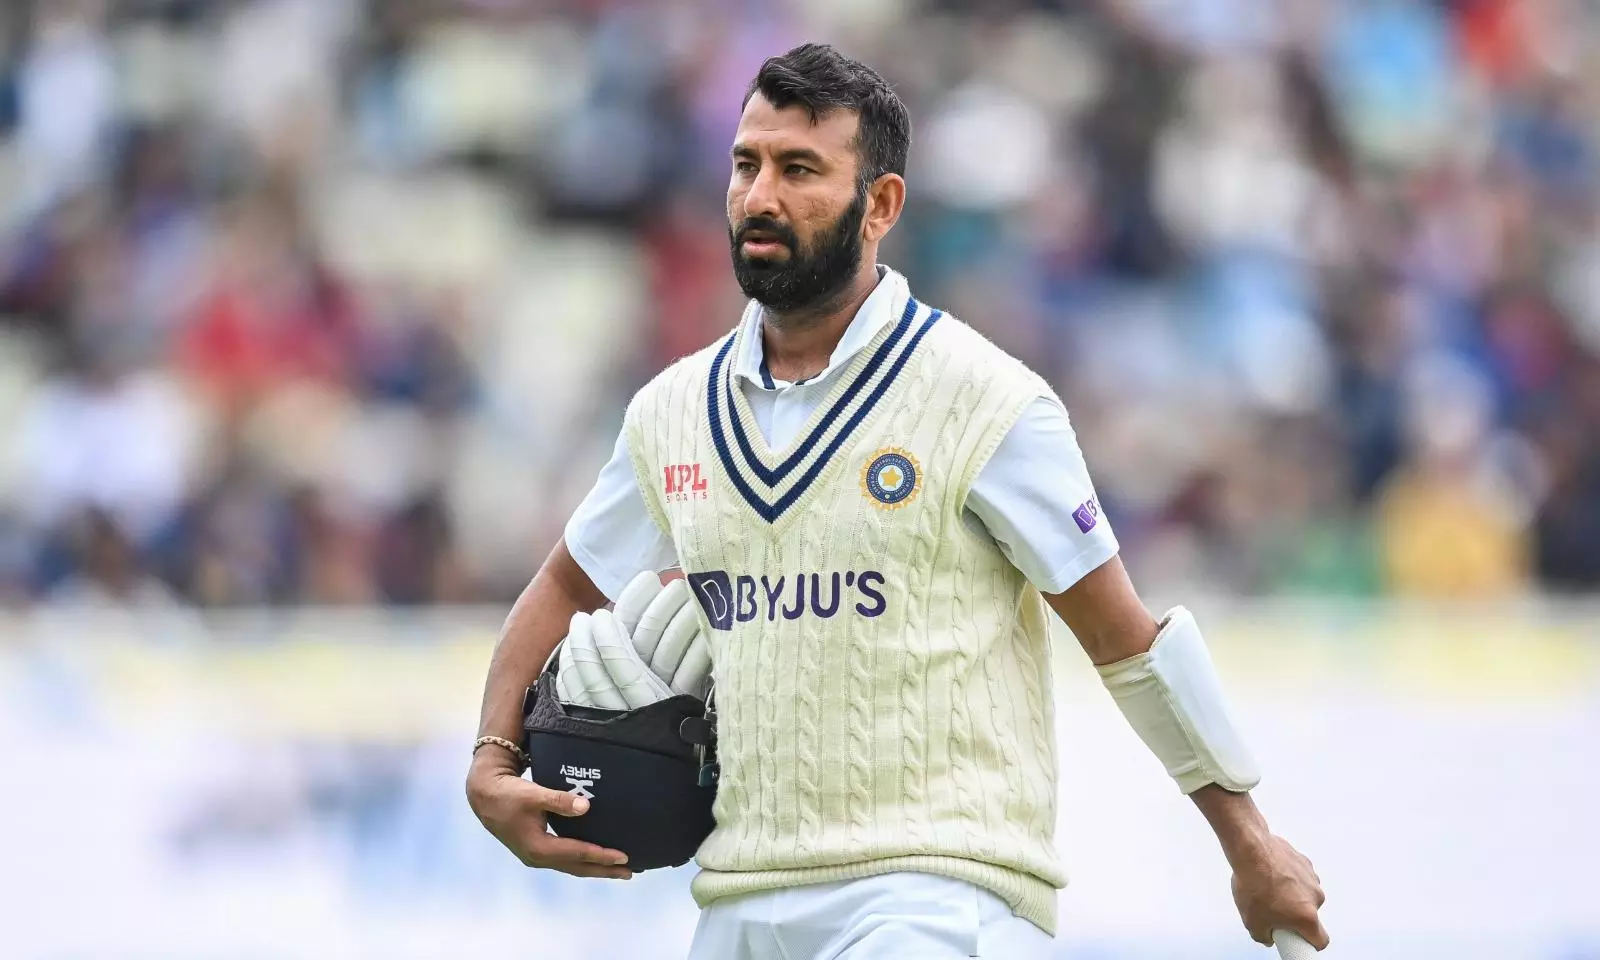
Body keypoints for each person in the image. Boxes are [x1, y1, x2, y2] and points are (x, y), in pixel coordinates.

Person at [466, 42, 1328, 959]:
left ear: (880, 205)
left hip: (938, 893)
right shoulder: (671, 412)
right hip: (738, 897)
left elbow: (1126, 639)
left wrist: (1249, 841)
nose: (760, 197)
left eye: (801, 170)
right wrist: (492, 759)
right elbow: (567, 585)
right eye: (747, 165)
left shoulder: (985, 401)